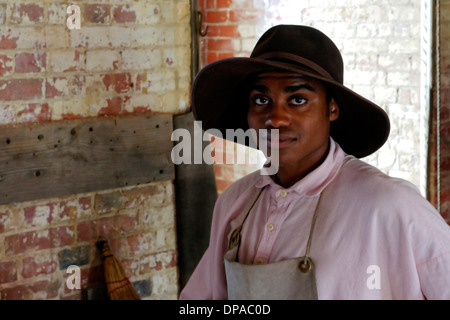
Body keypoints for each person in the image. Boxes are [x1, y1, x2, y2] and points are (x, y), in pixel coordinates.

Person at [179, 25, 450, 299]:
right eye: (261, 99)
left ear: (331, 108)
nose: (275, 118)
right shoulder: (235, 202)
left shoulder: (389, 205)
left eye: (297, 99)